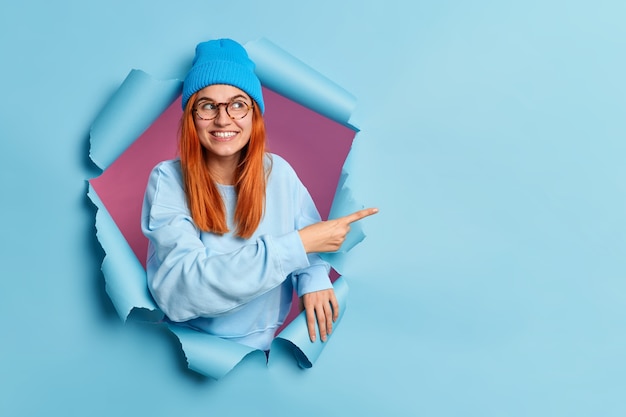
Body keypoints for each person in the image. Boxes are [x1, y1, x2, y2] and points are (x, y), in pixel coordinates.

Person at [141, 38, 377, 352]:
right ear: (191, 117)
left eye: (238, 104)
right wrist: (300, 244)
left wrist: (314, 278)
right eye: (208, 105)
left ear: (254, 114)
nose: (223, 119)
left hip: (263, 353)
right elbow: (185, 291)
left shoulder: (278, 173)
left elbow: (310, 249)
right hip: (188, 348)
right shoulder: (168, 180)